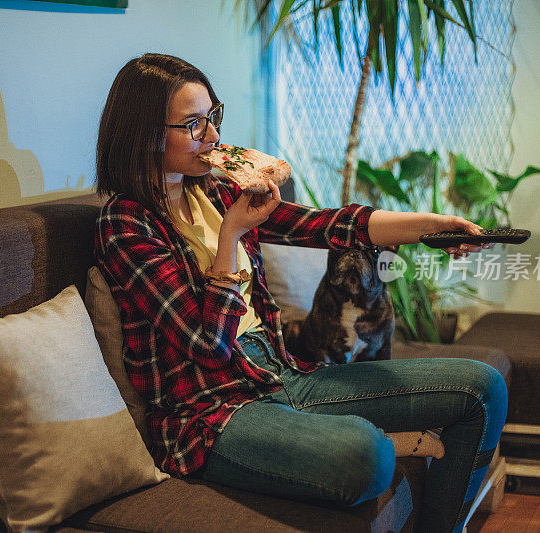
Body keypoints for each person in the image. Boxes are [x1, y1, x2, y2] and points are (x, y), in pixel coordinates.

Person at [93, 53, 507, 533]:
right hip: (211, 414)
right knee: (366, 453)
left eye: (212, 117)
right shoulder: (125, 223)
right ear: (145, 134)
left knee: (481, 388)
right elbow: (209, 346)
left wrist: (434, 226)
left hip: (278, 371)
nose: (212, 137)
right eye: (193, 124)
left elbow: (323, 225)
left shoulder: (214, 190)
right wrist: (230, 236)